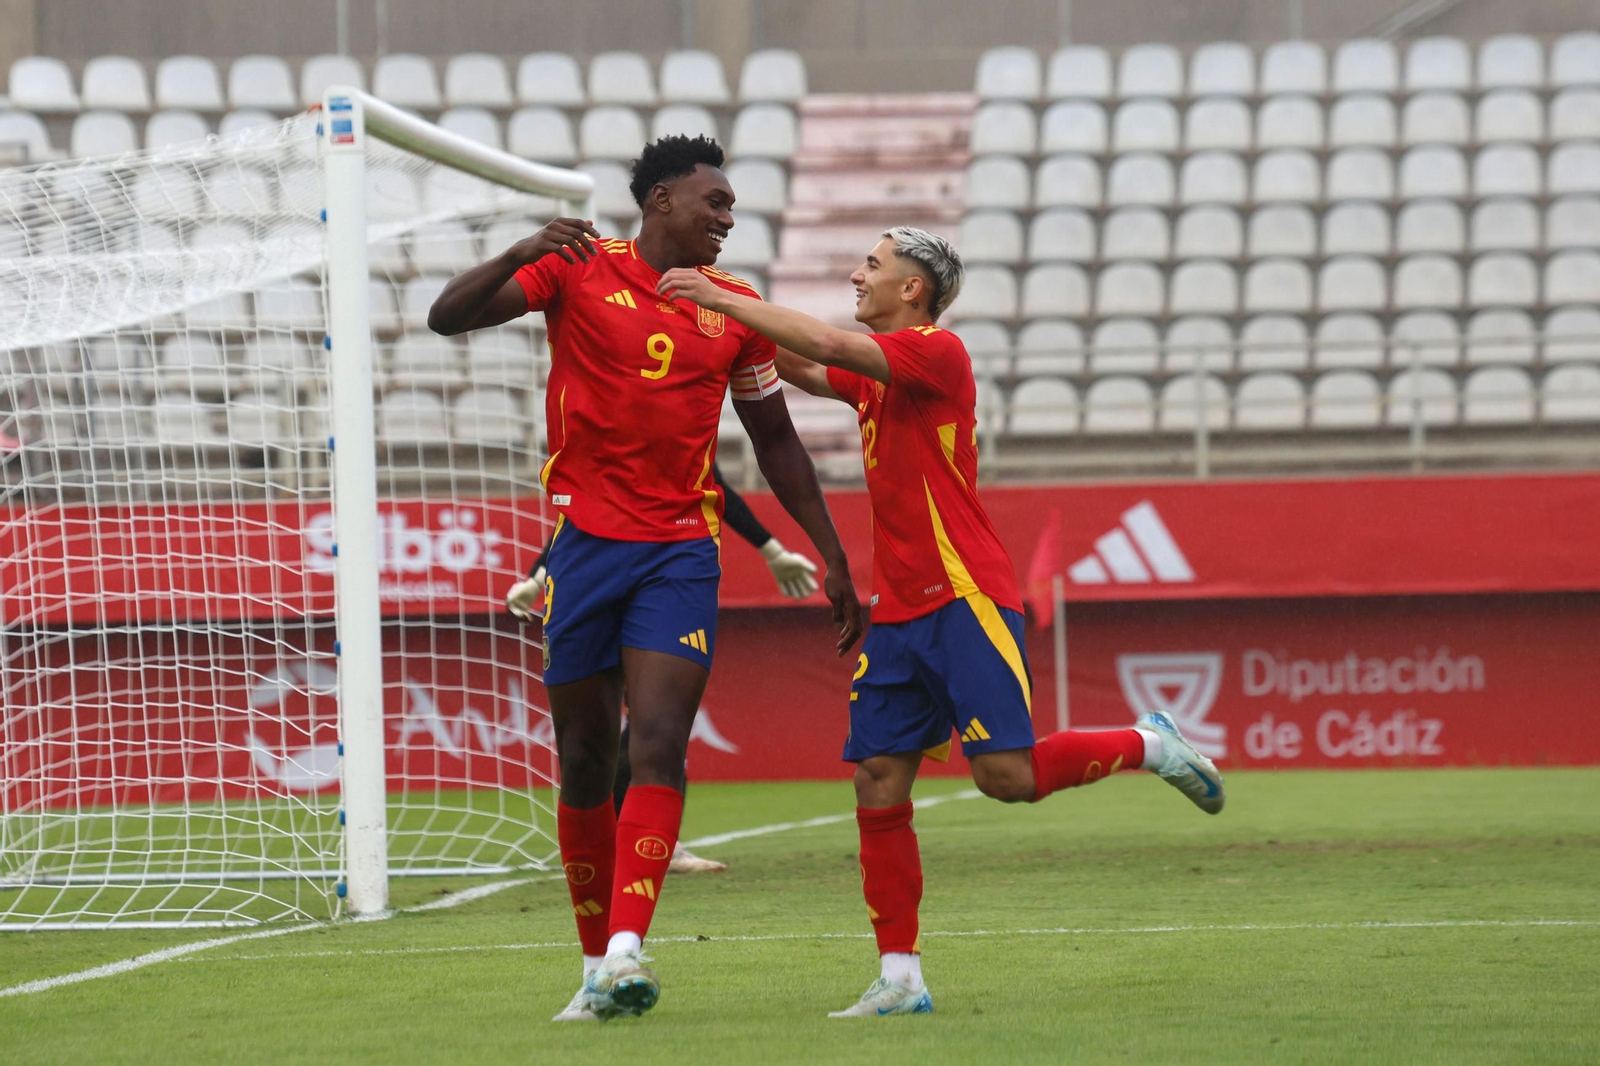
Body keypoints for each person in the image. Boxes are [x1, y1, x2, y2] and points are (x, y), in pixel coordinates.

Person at [657, 227, 1225, 1019]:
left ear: (913, 288)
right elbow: (796, 362)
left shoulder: (938, 353)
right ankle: (901, 978)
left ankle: (1151, 744)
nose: (858, 274)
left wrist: (717, 295)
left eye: (873, 266)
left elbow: (822, 342)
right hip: (899, 613)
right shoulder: (877, 379)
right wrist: (723, 315)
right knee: (878, 779)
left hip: (965, 597)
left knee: (1009, 780)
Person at [429, 135, 862, 1022]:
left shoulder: (735, 307)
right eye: (716, 203)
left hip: (679, 550)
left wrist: (829, 550)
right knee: (584, 760)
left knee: (658, 739)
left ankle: (629, 945)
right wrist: (520, 251)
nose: (728, 220)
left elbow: (773, 439)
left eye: (732, 207)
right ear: (661, 200)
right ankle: (596, 963)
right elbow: (448, 318)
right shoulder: (577, 271)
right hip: (584, 545)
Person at [507, 462, 820, 874]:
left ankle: (650, 842)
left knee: (656, 722)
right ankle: (616, 838)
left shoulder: (682, 428)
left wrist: (772, 550)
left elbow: (717, 488)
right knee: (612, 731)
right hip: (600, 588)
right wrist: (537, 576)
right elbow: (583, 512)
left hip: (662, 587)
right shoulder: (612, 437)